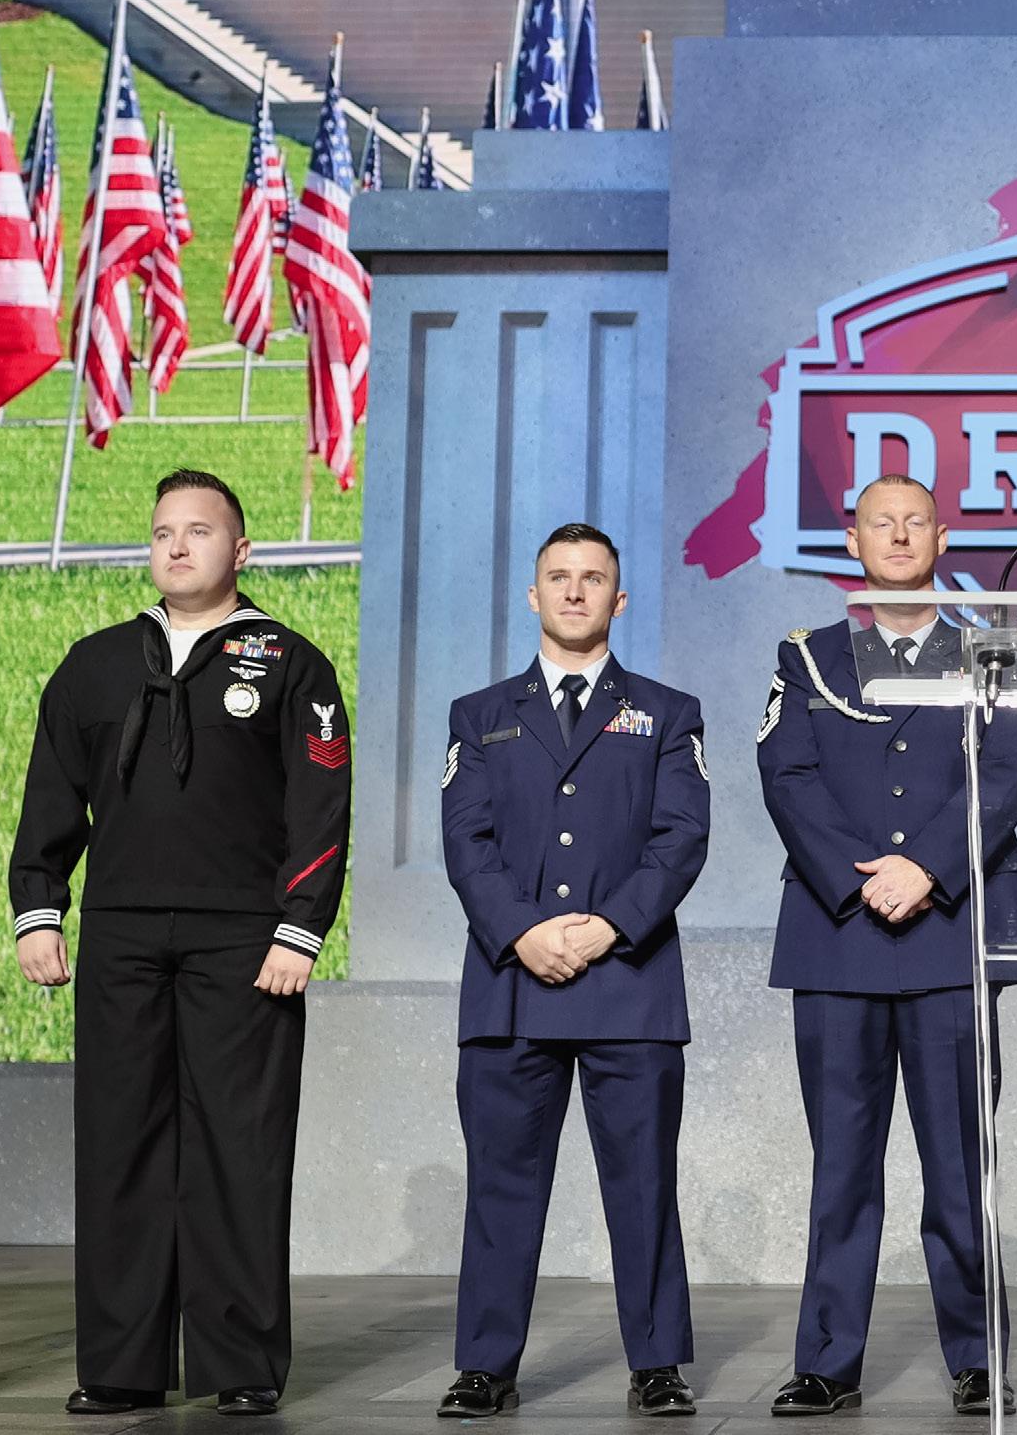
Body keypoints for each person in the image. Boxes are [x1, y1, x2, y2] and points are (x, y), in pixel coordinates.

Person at [5, 469, 350, 1417]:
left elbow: (320, 807)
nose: (178, 546)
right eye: (163, 532)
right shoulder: (95, 663)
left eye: (199, 531)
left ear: (241, 550)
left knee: (240, 1147)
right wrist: (39, 907)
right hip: (119, 934)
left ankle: (241, 1365)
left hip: (244, 940)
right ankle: (119, 1366)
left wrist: (299, 927)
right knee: (119, 1145)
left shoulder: (291, 664)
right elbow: (50, 793)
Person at [754, 473, 1017, 1417]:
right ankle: (826, 1361)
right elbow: (785, 773)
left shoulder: (988, 652)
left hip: (950, 932)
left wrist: (924, 865)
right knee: (841, 1165)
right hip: (838, 931)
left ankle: (978, 1359)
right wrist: (863, 876)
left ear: (941, 536)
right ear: (853, 541)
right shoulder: (807, 657)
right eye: (880, 522)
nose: (898, 534)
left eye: (915, 520)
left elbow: (1012, 764)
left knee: (960, 1168)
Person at [434, 523, 708, 1420]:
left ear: (618, 599)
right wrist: (523, 932)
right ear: (533, 595)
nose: (575, 590)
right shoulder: (478, 713)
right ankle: (484, 1365)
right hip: (511, 983)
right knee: (500, 1184)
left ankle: (658, 1363)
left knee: (643, 1183)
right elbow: (466, 843)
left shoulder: (668, 711)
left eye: (593, 578)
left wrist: (607, 928)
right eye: (559, 576)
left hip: (628, 982)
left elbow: (680, 838)